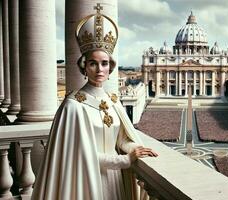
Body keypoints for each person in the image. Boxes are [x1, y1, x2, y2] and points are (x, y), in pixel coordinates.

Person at [32, 4, 157, 200]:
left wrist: (134, 148)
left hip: (114, 180)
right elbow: (81, 158)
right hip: (87, 182)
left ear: (110, 68)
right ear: (84, 67)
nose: (99, 69)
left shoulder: (113, 101)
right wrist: (126, 160)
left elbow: (121, 138)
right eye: (93, 63)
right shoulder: (73, 106)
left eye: (104, 63)